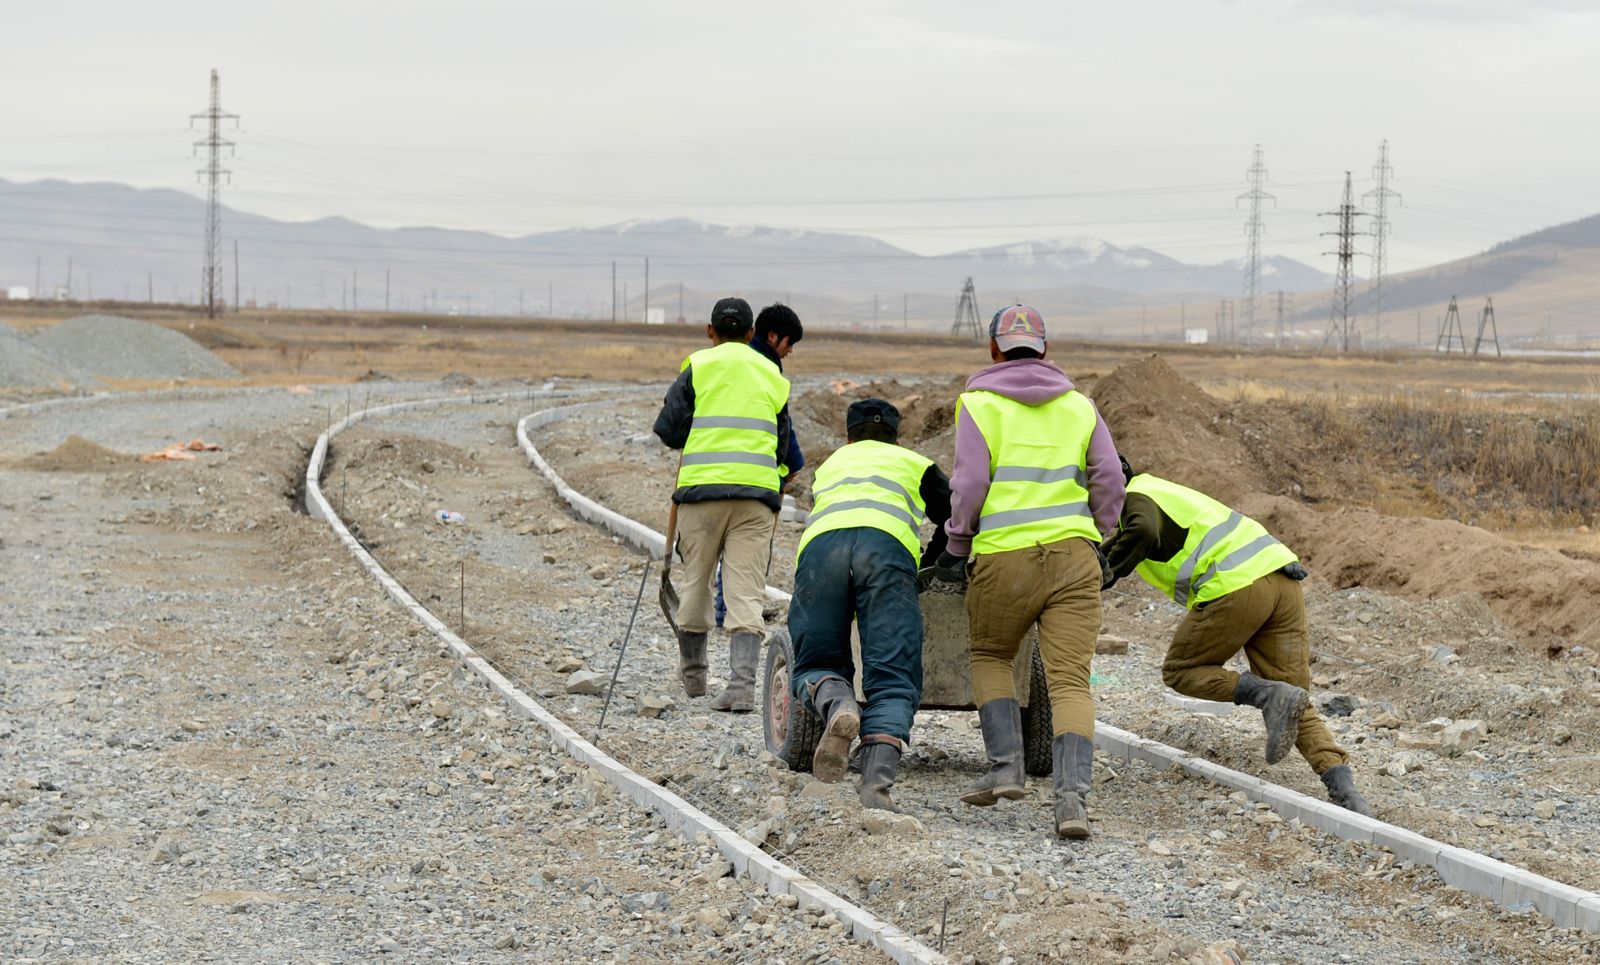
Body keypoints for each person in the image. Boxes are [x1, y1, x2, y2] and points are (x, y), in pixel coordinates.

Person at [933, 305, 1124, 840]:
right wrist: (1102, 526)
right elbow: (1109, 475)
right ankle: (1071, 803)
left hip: (1004, 557)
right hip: (1072, 557)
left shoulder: (977, 403)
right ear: (1044, 347)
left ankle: (1005, 768)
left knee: (991, 655)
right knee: (1070, 681)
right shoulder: (1080, 406)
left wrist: (956, 539)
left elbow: (969, 484)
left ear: (993, 349)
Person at [1099, 458, 1375, 816]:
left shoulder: (1137, 497)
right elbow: (1122, 542)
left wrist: (1100, 578)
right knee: (1294, 699)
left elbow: (1142, 531)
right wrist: (1096, 562)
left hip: (1239, 586)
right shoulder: (1162, 491)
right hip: (1282, 580)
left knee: (1182, 670)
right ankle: (1346, 791)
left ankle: (1265, 694)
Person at [789, 399, 951, 812]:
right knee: (893, 675)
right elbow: (957, 516)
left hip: (820, 551)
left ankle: (838, 702)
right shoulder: (914, 463)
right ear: (897, 437)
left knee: (816, 658)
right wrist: (932, 562)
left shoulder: (830, 465)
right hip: (885, 551)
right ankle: (875, 788)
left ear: (848, 435)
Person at [652, 297, 792, 712]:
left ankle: (694, 678)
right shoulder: (772, 374)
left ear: (710, 331)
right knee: (745, 590)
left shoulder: (697, 367)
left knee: (695, 584)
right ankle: (741, 687)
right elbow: (783, 445)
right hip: (756, 500)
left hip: (701, 496)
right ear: (751, 334)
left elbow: (669, 431)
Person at [713, 303, 807, 628]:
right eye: (788, 342)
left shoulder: (726, 360)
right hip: (754, 477)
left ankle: (721, 611)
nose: (790, 351)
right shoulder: (765, 368)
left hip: (714, 472)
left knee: (723, 549)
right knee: (746, 555)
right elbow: (783, 426)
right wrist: (793, 463)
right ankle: (732, 614)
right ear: (771, 336)